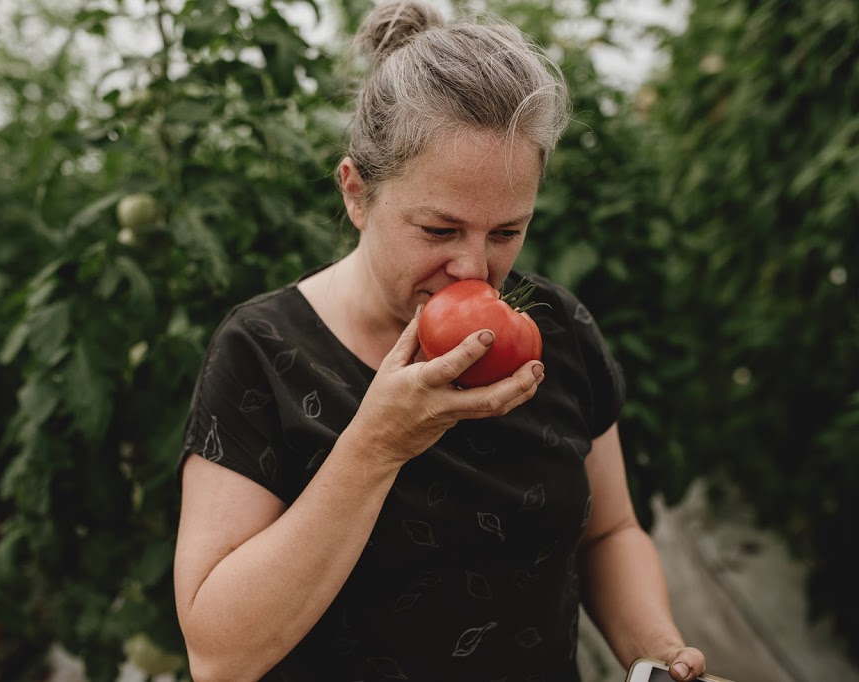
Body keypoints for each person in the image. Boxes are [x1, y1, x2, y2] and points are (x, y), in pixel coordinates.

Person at [173, 1, 708, 680]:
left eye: (507, 231)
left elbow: (608, 532)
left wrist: (656, 650)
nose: (475, 270)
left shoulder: (557, 328)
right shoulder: (260, 353)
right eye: (439, 230)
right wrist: (375, 446)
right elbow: (219, 655)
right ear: (356, 193)